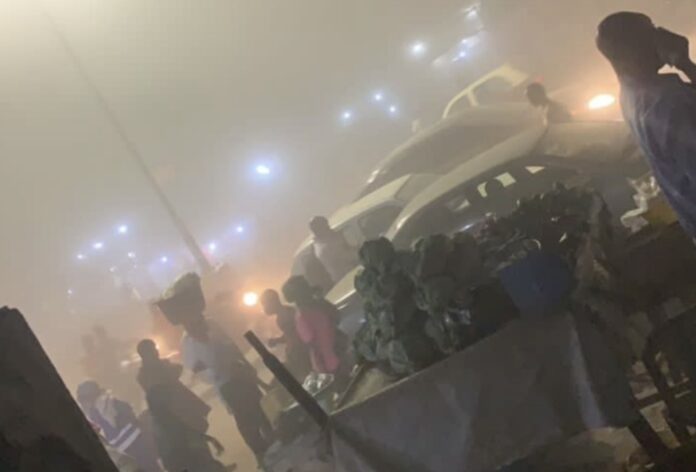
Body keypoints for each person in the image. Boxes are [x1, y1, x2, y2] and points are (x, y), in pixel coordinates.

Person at [596, 12, 696, 239]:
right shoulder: (668, 103)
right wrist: (685, 63)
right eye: (650, 32)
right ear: (631, 50)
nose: (660, 35)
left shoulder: (633, 96)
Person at [180, 315, 273, 470]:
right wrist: (219, 372)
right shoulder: (190, 345)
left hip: (241, 376)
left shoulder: (214, 330)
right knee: (245, 421)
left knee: (260, 410)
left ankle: (273, 443)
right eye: (199, 324)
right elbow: (197, 371)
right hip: (227, 386)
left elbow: (233, 348)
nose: (204, 326)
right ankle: (260, 452)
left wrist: (247, 367)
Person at [136, 339, 232, 472]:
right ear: (146, 353)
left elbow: (177, 370)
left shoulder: (151, 370)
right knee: (194, 444)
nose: (156, 351)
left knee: (198, 440)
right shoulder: (148, 373)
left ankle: (214, 467)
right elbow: (170, 376)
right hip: (175, 412)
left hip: (181, 408)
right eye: (153, 349)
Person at [76, 380, 161, 472]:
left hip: (127, 451)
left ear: (88, 398)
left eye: (83, 400)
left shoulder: (95, 411)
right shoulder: (112, 401)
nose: (84, 404)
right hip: (140, 444)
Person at [281, 276, 344, 375]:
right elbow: (337, 317)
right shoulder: (312, 310)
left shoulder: (305, 313)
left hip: (333, 358)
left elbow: (310, 342)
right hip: (336, 356)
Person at [260, 289, 311, 381]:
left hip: (301, 354)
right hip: (299, 352)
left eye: (264, 304)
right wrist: (277, 340)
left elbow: (296, 335)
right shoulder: (285, 312)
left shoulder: (284, 316)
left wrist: (291, 353)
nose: (264, 308)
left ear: (273, 301)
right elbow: (290, 335)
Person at [309, 216, 358, 284]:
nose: (329, 228)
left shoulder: (319, 244)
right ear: (319, 230)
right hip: (347, 278)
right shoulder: (326, 247)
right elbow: (351, 257)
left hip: (345, 277)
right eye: (326, 227)